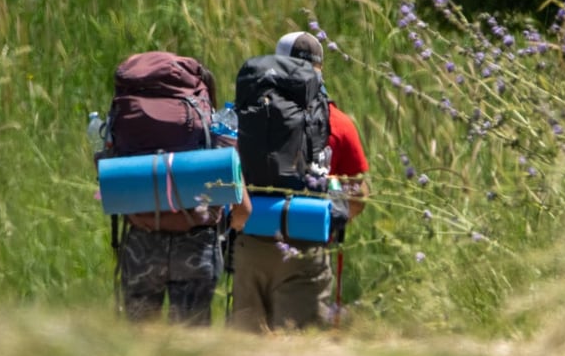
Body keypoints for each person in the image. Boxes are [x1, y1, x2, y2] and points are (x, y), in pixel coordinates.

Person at [230, 32, 369, 331]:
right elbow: (359, 196)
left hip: (250, 243)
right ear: (320, 68)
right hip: (306, 246)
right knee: (299, 353)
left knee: (243, 354)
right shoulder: (339, 123)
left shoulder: (249, 115)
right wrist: (327, 218)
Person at [106, 57, 251, 326]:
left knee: (137, 340)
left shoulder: (128, 125)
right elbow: (244, 209)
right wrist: (227, 227)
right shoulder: (216, 130)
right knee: (190, 344)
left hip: (141, 241)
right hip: (196, 243)